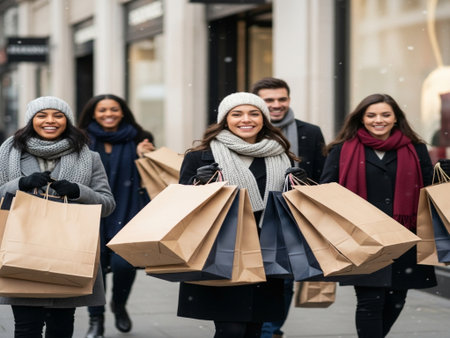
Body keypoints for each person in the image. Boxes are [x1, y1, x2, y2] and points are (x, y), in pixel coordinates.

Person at [177, 92, 304, 338]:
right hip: (221, 250)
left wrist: (298, 187)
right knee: (231, 329)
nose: (246, 119)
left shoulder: (281, 155)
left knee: (254, 328)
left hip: (267, 251)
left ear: (264, 119)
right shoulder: (200, 156)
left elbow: (290, 207)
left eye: (254, 113)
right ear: (225, 120)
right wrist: (197, 184)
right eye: (237, 114)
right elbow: (181, 205)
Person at [320, 93, 437, 338]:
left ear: (396, 118)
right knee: (369, 301)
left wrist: (441, 174)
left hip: (406, 235)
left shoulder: (415, 149)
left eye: (385, 115)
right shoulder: (342, 150)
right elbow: (326, 191)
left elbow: (429, 190)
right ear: (361, 119)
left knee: (396, 301)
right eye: (371, 115)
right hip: (363, 238)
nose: (378, 120)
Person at [0, 96, 116, 338]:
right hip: (21, 252)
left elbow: (107, 205)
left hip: (68, 254)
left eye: (58, 115)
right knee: (26, 329)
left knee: (61, 329)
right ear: (31, 120)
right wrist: (19, 184)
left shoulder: (89, 157)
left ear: (68, 121)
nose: (50, 121)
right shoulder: (7, 154)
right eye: (42, 115)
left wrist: (78, 192)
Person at [252, 77, 326, 338]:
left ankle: (270, 330)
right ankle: (255, 327)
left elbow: (320, 176)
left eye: (282, 99)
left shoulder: (310, 132)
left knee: (283, 279)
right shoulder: (244, 129)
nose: (276, 105)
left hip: (292, 217)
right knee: (252, 277)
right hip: (253, 215)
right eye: (268, 100)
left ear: (289, 100)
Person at [78, 94, 154, 338]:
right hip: (92, 211)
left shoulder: (140, 138)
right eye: (102, 110)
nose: (108, 114)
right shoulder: (80, 139)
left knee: (124, 265)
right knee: (94, 269)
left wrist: (146, 156)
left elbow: (153, 176)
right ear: (93, 113)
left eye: (114, 109)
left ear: (123, 112)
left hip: (129, 209)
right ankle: (96, 320)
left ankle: (119, 305)